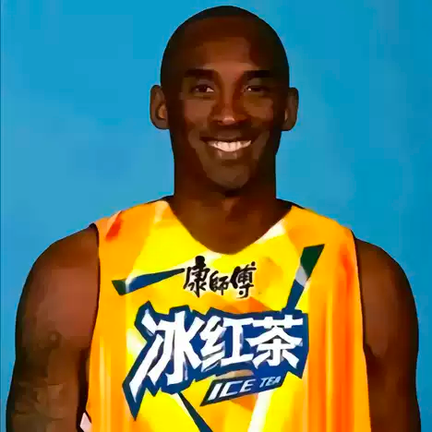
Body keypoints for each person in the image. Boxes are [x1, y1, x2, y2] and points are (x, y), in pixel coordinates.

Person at [6, 5, 421, 432]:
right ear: (162, 107)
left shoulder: (365, 282)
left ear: (288, 109)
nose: (229, 115)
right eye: (203, 89)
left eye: (255, 89)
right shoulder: (77, 279)